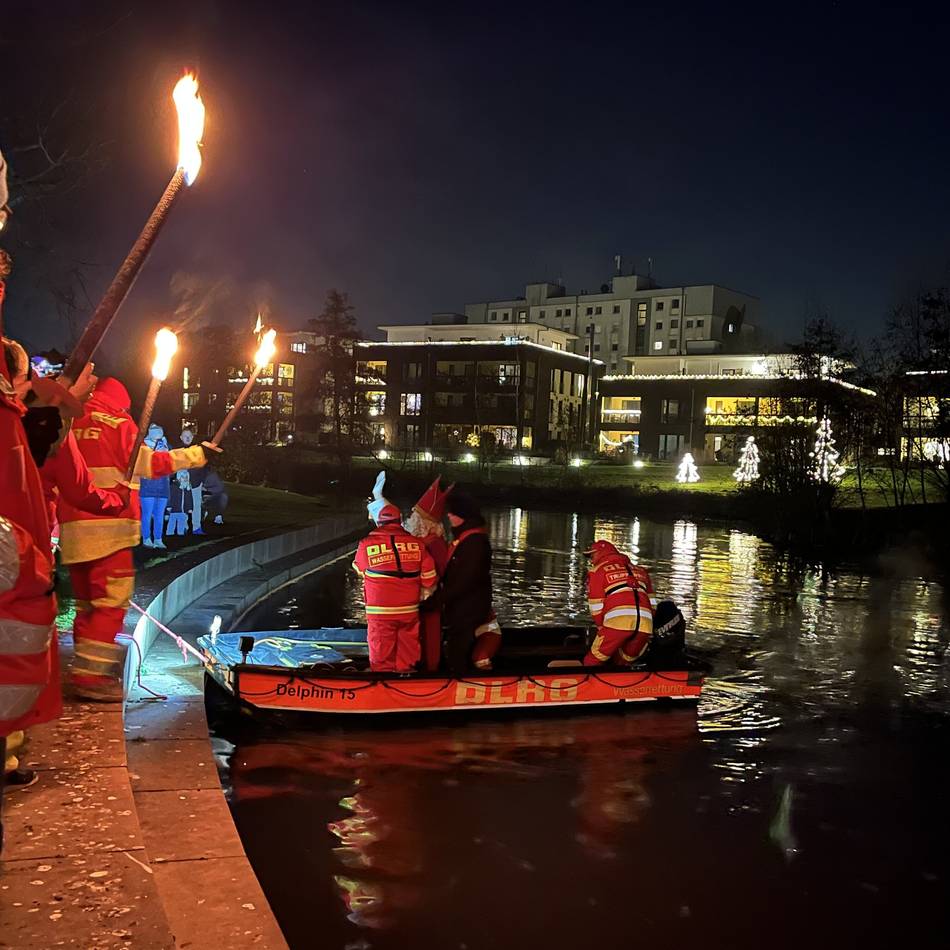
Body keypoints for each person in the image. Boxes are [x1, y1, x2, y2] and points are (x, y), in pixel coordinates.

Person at [58, 377, 207, 701]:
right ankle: (92, 677)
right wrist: (194, 456)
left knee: (86, 605)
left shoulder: (71, 419)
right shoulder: (120, 423)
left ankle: (84, 666)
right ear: (122, 403)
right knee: (112, 601)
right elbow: (152, 463)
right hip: (110, 529)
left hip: (73, 530)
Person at [353, 496, 437, 672]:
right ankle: (406, 682)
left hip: (380, 610)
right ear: (400, 522)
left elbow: (360, 568)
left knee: (381, 654)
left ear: (379, 523)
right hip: (409, 609)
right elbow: (430, 578)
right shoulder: (417, 544)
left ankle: (383, 687)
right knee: (408, 652)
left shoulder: (366, 544)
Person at [439, 491, 498, 675]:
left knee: (458, 652)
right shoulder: (467, 539)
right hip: (462, 608)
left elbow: (466, 579)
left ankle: (460, 687)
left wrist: (437, 599)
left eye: (453, 512)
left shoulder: (474, 543)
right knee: (455, 649)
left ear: (463, 516)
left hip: (468, 609)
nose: (448, 515)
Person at [405, 476, 453, 671]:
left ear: (423, 523)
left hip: (430, 596)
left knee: (430, 632)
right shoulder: (421, 541)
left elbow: (443, 570)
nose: (410, 519)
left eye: (414, 516)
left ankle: (430, 668)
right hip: (415, 596)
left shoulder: (434, 543)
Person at [582, 539, 655, 666]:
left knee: (593, 660)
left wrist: (602, 629)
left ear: (601, 553)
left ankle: (585, 684)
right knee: (624, 662)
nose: (591, 561)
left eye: (592, 556)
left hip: (617, 623)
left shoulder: (597, 572)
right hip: (645, 625)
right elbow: (652, 604)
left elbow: (596, 607)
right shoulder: (641, 571)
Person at [138, 425, 170, 549]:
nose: (158, 437)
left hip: (163, 486)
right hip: (148, 486)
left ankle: (158, 539)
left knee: (159, 514)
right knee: (147, 514)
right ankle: (146, 538)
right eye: (156, 434)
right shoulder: (143, 447)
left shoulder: (166, 446)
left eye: (160, 434)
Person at [179, 428, 206, 534]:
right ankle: (184, 526)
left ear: (193, 437)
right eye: (185, 436)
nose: (187, 438)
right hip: (183, 484)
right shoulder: (178, 451)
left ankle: (196, 527)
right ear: (181, 437)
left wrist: (201, 481)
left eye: (189, 436)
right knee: (184, 505)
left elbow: (202, 467)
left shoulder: (197, 450)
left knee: (196, 505)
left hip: (195, 483)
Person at [167, 469, 192, 535]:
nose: (185, 479)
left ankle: (180, 535)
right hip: (174, 510)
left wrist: (190, 508)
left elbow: (189, 498)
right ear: (179, 477)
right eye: (183, 477)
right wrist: (169, 506)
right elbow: (169, 497)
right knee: (171, 523)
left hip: (183, 511)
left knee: (181, 523)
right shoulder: (173, 487)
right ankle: (169, 534)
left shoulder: (187, 488)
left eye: (186, 477)